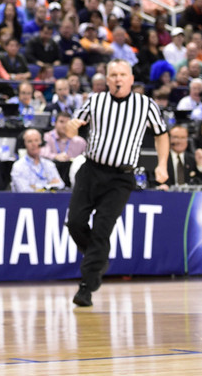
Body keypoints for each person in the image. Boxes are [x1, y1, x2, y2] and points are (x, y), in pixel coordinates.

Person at [65, 59, 169, 308]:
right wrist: (71, 129)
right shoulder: (95, 100)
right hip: (91, 170)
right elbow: (74, 129)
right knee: (75, 223)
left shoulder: (145, 105)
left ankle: (86, 287)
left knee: (102, 230)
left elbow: (161, 134)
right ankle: (99, 259)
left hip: (121, 178)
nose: (118, 79)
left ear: (131, 79)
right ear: (107, 80)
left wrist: (162, 165)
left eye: (123, 74)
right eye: (113, 75)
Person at [10, 128, 65, 193]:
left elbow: (60, 185)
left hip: (49, 201)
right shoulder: (18, 166)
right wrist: (49, 186)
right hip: (28, 202)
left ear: (41, 142)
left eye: (36, 140)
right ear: (24, 144)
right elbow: (24, 191)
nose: (34, 144)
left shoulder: (49, 164)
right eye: (30, 141)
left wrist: (36, 187)